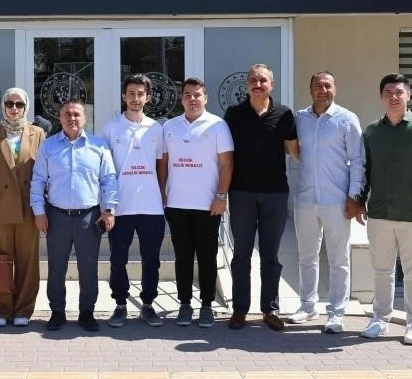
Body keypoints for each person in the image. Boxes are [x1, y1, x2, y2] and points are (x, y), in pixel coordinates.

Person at [358, 73, 412, 345]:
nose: (393, 97)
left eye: (398, 92)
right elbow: (364, 171)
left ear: (409, 95)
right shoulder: (372, 131)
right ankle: (380, 319)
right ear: (381, 97)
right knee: (381, 271)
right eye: (388, 92)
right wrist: (359, 200)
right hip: (380, 214)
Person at [31, 100, 118, 331]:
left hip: (88, 218)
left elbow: (109, 179)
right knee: (56, 267)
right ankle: (57, 312)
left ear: (85, 118)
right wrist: (39, 212)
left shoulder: (98, 146)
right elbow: (38, 181)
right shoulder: (48, 147)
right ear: (60, 118)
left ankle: (87, 313)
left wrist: (109, 209)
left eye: (77, 114)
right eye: (67, 114)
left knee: (88, 268)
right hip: (56, 216)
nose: (72, 118)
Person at [224, 63, 299, 331]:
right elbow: (224, 154)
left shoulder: (284, 114)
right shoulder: (234, 114)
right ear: (247, 85)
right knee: (241, 254)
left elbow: (296, 152)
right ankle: (240, 309)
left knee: (270, 255)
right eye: (253, 80)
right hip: (241, 192)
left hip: (275, 193)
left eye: (263, 80)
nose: (258, 84)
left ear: (272, 84)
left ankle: (270, 309)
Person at [289, 72, 365, 334]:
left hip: (337, 200)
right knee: (306, 257)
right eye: (317, 86)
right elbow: (293, 150)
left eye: (327, 85)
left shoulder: (346, 119)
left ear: (335, 88)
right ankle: (307, 306)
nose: (322, 90)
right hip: (306, 199)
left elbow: (358, 160)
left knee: (338, 259)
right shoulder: (299, 119)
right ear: (310, 89)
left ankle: (336, 312)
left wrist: (355, 196)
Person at [159, 78, 234, 328]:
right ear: (181, 99)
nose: (192, 99)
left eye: (197, 95)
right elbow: (164, 163)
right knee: (182, 257)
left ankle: (206, 305)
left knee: (207, 257)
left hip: (208, 205)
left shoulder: (218, 125)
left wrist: (221, 196)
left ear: (205, 98)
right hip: (177, 204)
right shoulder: (169, 126)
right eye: (187, 95)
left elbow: (227, 163)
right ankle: (184, 304)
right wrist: (162, 194)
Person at [103, 74, 167, 328]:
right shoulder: (111, 128)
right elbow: (106, 169)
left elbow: (162, 164)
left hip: (151, 206)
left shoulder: (157, 128)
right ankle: (120, 304)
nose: (135, 98)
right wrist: (108, 204)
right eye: (131, 93)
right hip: (121, 206)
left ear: (148, 98)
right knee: (118, 259)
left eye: (141, 94)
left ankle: (148, 305)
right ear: (123, 96)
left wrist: (162, 195)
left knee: (151, 259)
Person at [0, 88, 45, 327]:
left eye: (19, 104)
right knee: (1, 259)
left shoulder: (38, 133)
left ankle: (23, 309)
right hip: (1, 208)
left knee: (28, 261)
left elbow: (43, 172)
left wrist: (42, 209)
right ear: (3, 106)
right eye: (9, 103)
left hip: (29, 207)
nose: (14, 108)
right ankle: (0, 309)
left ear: (26, 107)